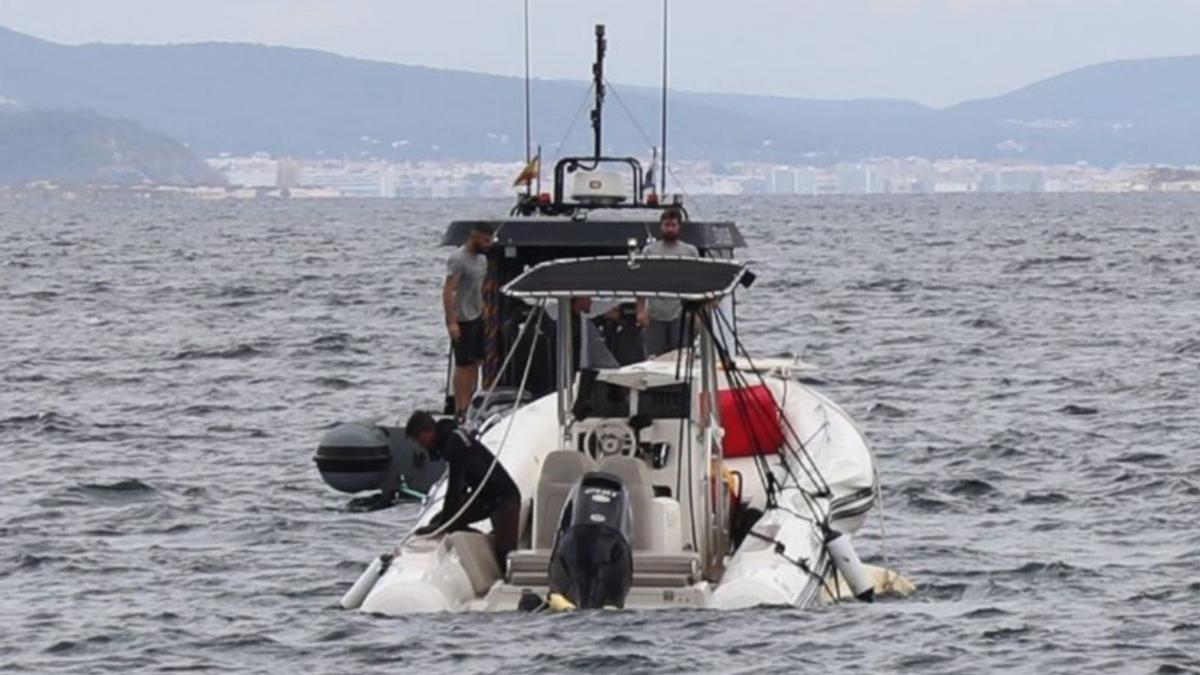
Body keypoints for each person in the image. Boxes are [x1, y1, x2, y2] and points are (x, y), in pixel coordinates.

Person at [406, 410, 521, 562]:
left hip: (504, 498)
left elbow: (455, 487)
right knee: (444, 520)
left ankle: (490, 548)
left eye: (418, 440)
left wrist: (444, 524)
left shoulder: (453, 443)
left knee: (504, 556)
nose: (420, 446)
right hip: (483, 496)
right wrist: (443, 521)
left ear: (426, 432)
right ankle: (478, 544)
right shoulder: (450, 436)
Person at [444, 222, 495, 419]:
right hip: (461, 317)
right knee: (463, 363)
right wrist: (452, 321)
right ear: (474, 237)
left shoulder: (482, 259)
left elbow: (477, 286)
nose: (488, 244)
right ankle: (460, 407)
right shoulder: (458, 259)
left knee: (477, 361)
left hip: (477, 314)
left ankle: (471, 401)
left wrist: (483, 308)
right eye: (485, 241)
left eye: (490, 241)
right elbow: (449, 290)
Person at [636, 208, 699, 357]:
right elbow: (641, 282)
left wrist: (697, 315)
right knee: (653, 357)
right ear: (661, 226)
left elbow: (696, 284)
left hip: (681, 314)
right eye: (667, 225)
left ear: (679, 227)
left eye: (673, 225)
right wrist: (640, 310)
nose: (670, 229)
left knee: (681, 356)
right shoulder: (649, 251)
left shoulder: (690, 251)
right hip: (655, 315)